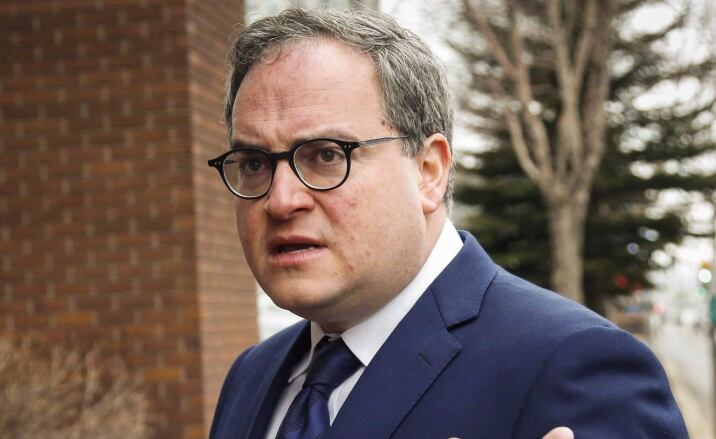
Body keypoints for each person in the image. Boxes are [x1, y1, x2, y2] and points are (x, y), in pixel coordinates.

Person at [207, 8, 688, 439]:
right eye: (253, 163)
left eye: (327, 155)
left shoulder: (574, 366)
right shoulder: (251, 376)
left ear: (428, 171)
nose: (280, 199)